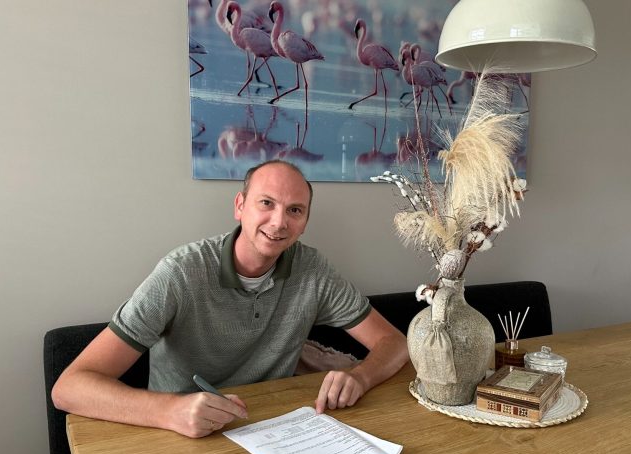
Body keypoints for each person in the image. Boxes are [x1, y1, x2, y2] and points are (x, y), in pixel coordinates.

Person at [52, 160, 409, 438]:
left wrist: (360, 377)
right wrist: (169, 411)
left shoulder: (313, 270)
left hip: (276, 426)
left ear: (305, 221)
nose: (279, 222)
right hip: (178, 433)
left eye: (295, 210)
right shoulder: (180, 273)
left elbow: (394, 343)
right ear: (240, 206)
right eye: (266, 203)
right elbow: (69, 388)